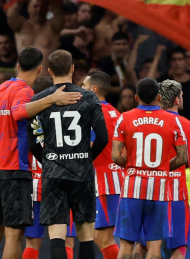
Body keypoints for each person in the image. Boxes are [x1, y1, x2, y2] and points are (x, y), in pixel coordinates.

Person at [0, 48, 81, 259]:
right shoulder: (24, 91)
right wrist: (52, 99)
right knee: (14, 234)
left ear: (18, 66)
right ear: (40, 69)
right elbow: (18, 112)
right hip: (13, 170)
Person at [30, 50, 108, 259]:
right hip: (81, 171)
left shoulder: (39, 100)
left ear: (50, 71)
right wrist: (87, 157)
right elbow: (103, 137)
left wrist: (48, 160)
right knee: (85, 233)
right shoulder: (90, 97)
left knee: (57, 234)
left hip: (53, 172)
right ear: (72, 69)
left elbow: (32, 142)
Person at [111, 78, 187, 259]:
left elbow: (115, 156)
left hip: (132, 188)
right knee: (154, 248)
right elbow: (183, 157)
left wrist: (131, 167)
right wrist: (162, 169)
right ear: (159, 97)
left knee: (126, 245)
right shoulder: (173, 121)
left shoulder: (124, 118)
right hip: (159, 189)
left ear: (136, 97)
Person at [156, 79, 190, 259]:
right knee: (179, 247)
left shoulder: (147, 122)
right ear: (177, 100)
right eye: (182, 95)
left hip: (148, 192)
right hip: (175, 194)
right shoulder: (187, 126)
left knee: (145, 246)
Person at [82, 70, 124, 259]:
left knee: (102, 237)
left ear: (93, 88)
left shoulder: (94, 112)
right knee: (112, 238)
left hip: (105, 181)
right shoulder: (115, 112)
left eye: (83, 85)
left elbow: (91, 145)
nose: (81, 89)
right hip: (115, 178)